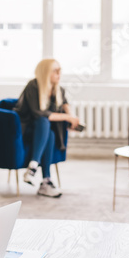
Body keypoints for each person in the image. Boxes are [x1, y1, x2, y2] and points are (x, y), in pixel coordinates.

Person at [16, 59, 80, 198]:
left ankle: (44, 180)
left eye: (60, 70)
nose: (59, 73)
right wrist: (67, 118)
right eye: (55, 70)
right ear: (45, 72)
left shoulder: (58, 89)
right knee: (43, 121)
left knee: (50, 133)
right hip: (24, 130)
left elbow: (65, 105)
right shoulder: (33, 86)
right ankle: (34, 167)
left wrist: (71, 118)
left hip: (43, 134)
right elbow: (38, 113)